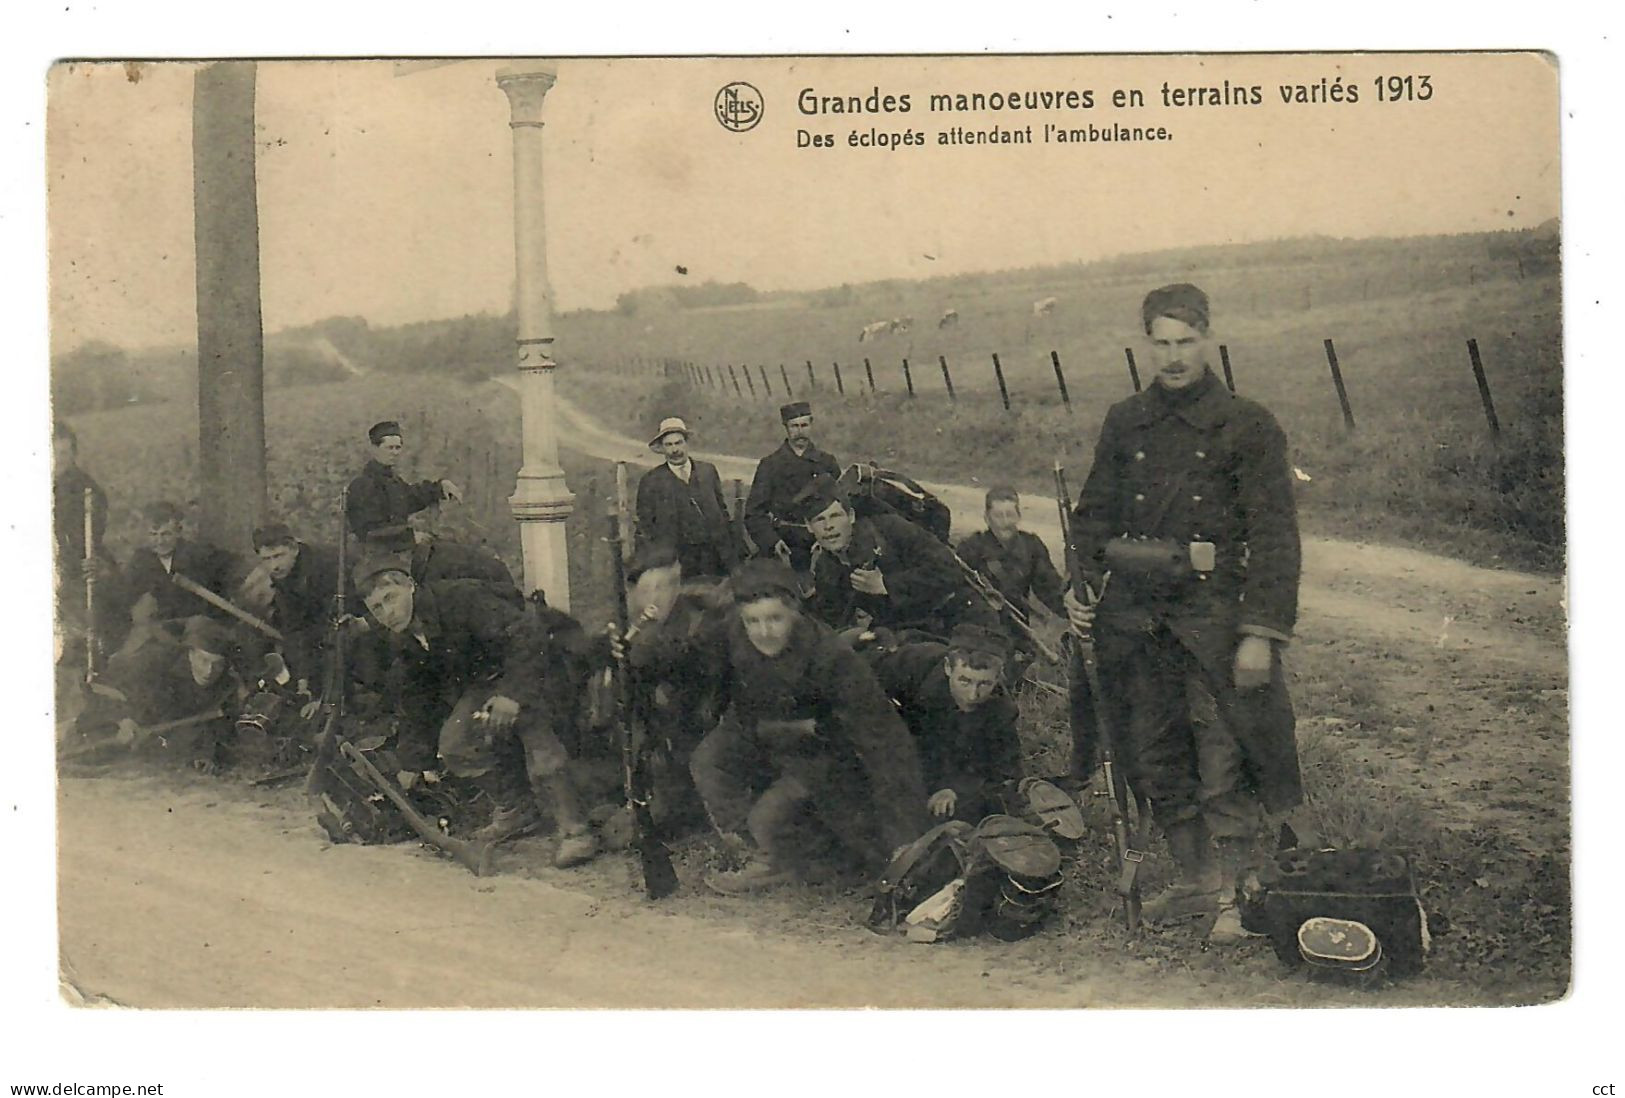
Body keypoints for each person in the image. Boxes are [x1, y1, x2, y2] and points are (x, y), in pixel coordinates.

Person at [1063, 282, 1306, 942]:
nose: (1172, 357)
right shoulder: (1125, 421)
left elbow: (1275, 536)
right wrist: (1077, 588)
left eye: (1184, 342)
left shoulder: (1247, 424)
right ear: (1145, 344)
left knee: (1222, 757)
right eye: (1160, 343)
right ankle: (1196, 879)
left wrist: (1260, 634)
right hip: (1135, 624)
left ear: (1206, 339)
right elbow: (1090, 519)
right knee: (1151, 757)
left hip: (1212, 621)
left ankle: (1237, 890)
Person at [668, 560, 930, 894]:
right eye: (753, 621)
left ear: (795, 612)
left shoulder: (832, 659)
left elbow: (887, 743)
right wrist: (635, 653)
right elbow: (689, 660)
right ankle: (764, 857)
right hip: (754, 730)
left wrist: (904, 841)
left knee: (768, 816)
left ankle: (797, 851)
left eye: (775, 618)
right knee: (709, 761)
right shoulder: (731, 628)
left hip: (817, 751)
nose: (764, 631)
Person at [353, 560, 601, 868]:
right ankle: (517, 810)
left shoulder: (462, 599)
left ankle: (576, 830)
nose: (386, 613)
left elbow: (527, 635)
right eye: (376, 608)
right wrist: (413, 762)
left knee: (538, 741)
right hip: (491, 681)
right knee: (456, 745)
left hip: (545, 662)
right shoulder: (404, 637)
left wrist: (512, 695)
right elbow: (418, 698)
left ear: (410, 586)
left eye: (390, 598)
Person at [872, 623, 1023, 824]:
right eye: (964, 681)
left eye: (985, 684)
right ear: (947, 668)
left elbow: (1005, 771)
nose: (972, 695)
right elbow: (858, 685)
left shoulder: (1002, 711)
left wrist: (955, 789)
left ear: (998, 677)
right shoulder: (913, 664)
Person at [800, 482, 978, 639]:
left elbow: (950, 571)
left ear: (851, 516)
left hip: (955, 616)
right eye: (819, 520)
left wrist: (886, 585)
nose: (828, 527)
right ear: (809, 527)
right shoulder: (825, 565)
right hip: (902, 633)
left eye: (835, 516)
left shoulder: (890, 529)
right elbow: (832, 616)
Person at [634, 416, 740, 580]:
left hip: (714, 557)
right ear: (662, 448)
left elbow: (722, 511)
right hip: (677, 562)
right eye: (668, 445)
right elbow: (645, 526)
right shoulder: (651, 481)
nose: (675, 450)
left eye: (679, 443)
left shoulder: (707, 471)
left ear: (686, 443)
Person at [743, 402, 841, 571]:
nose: (800, 431)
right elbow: (754, 514)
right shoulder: (770, 465)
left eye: (804, 425)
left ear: (811, 424)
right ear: (786, 428)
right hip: (786, 546)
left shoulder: (827, 462)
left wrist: (828, 539)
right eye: (794, 426)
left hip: (823, 543)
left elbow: (842, 507)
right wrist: (772, 542)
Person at [119, 500, 244, 628]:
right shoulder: (140, 561)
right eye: (153, 535)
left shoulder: (198, 554)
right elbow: (125, 597)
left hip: (195, 627)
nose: (160, 541)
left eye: (166, 534)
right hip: (159, 629)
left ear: (178, 532)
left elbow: (234, 569)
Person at [250, 522, 341, 695]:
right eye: (266, 559)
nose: (274, 566)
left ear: (294, 549)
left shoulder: (323, 566)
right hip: (320, 628)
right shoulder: (284, 575)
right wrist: (302, 681)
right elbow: (294, 628)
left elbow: (324, 626)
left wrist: (313, 683)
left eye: (279, 556)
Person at [344, 420, 463, 543]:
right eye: (390, 448)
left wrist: (440, 487)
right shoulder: (362, 485)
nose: (395, 453)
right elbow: (369, 532)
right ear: (375, 449)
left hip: (402, 551)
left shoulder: (393, 481)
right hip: (380, 557)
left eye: (398, 448)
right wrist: (409, 538)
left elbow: (412, 496)